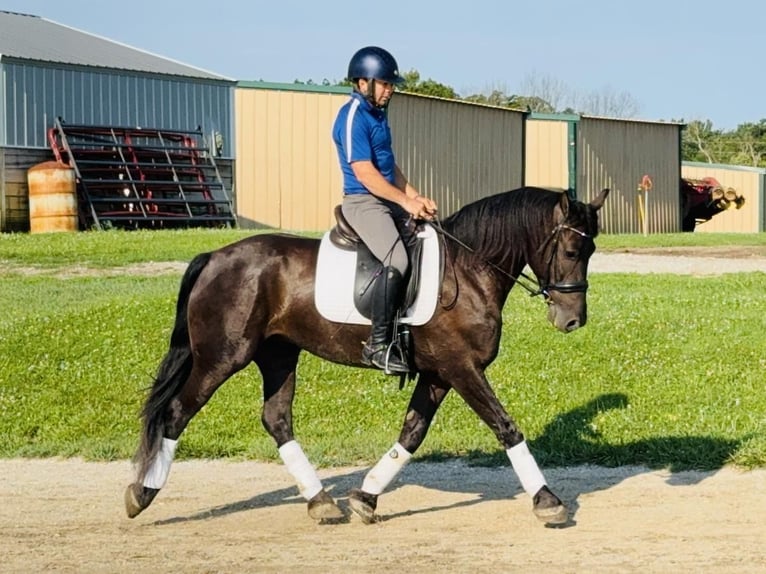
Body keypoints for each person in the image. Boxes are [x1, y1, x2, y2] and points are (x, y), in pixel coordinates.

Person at [332, 46, 438, 375]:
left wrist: (416, 197)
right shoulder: (351, 115)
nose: (390, 90)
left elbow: (390, 168)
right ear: (363, 82)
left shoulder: (378, 115)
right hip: (363, 201)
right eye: (385, 84)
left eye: (391, 85)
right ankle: (377, 345)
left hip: (386, 198)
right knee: (398, 259)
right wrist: (404, 202)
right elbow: (365, 173)